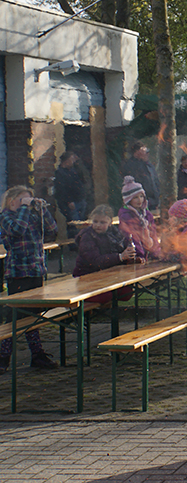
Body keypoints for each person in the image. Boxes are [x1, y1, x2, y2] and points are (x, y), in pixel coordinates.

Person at [0, 186, 60, 373]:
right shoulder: (5, 217)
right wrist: (25, 208)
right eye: (22, 200)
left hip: (35, 271)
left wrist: (42, 210)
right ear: (12, 201)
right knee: (15, 316)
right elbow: (17, 230)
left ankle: (37, 354)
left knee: (33, 315)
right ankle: (3, 356)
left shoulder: (31, 216)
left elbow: (52, 230)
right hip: (18, 273)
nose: (27, 204)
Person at [73, 205, 138, 304]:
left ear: (110, 222)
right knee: (106, 296)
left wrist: (132, 258)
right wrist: (120, 257)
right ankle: (90, 311)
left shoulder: (115, 234)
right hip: (87, 276)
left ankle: (111, 312)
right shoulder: (87, 236)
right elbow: (95, 261)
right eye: (95, 221)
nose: (98, 225)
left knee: (126, 292)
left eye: (102, 222)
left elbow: (123, 250)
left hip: (107, 276)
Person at [118, 176, 160, 261]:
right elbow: (132, 237)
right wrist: (140, 255)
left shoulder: (147, 215)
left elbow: (153, 233)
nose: (139, 200)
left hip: (149, 253)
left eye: (141, 196)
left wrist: (156, 251)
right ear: (128, 199)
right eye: (135, 197)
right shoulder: (126, 216)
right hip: (137, 256)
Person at [54, 151, 88, 239]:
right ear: (66, 160)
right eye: (71, 159)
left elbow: (83, 177)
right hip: (71, 202)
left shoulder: (74, 170)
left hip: (80, 199)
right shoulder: (60, 173)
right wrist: (69, 201)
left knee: (81, 223)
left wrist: (78, 163)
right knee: (74, 225)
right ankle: (74, 243)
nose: (73, 161)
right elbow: (61, 190)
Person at [120, 142, 161, 210]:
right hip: (141, 202)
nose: (147, 153)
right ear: (137, 152)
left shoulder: (148, 165)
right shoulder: (131, 165)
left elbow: (155, 181)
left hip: (153, 201)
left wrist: (157, 198)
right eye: (144, 151)